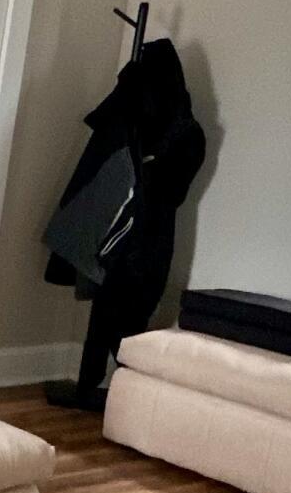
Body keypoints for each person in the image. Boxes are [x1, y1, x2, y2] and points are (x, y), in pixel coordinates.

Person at [40, 37, 206, 411]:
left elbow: (168, 189)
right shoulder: (142, 125)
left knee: (128, 316)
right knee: (103, 312)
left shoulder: (185, 134)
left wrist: (145, 163)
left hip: (147, 239)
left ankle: (131, 392)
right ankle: (90, 385)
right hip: (119, 235)